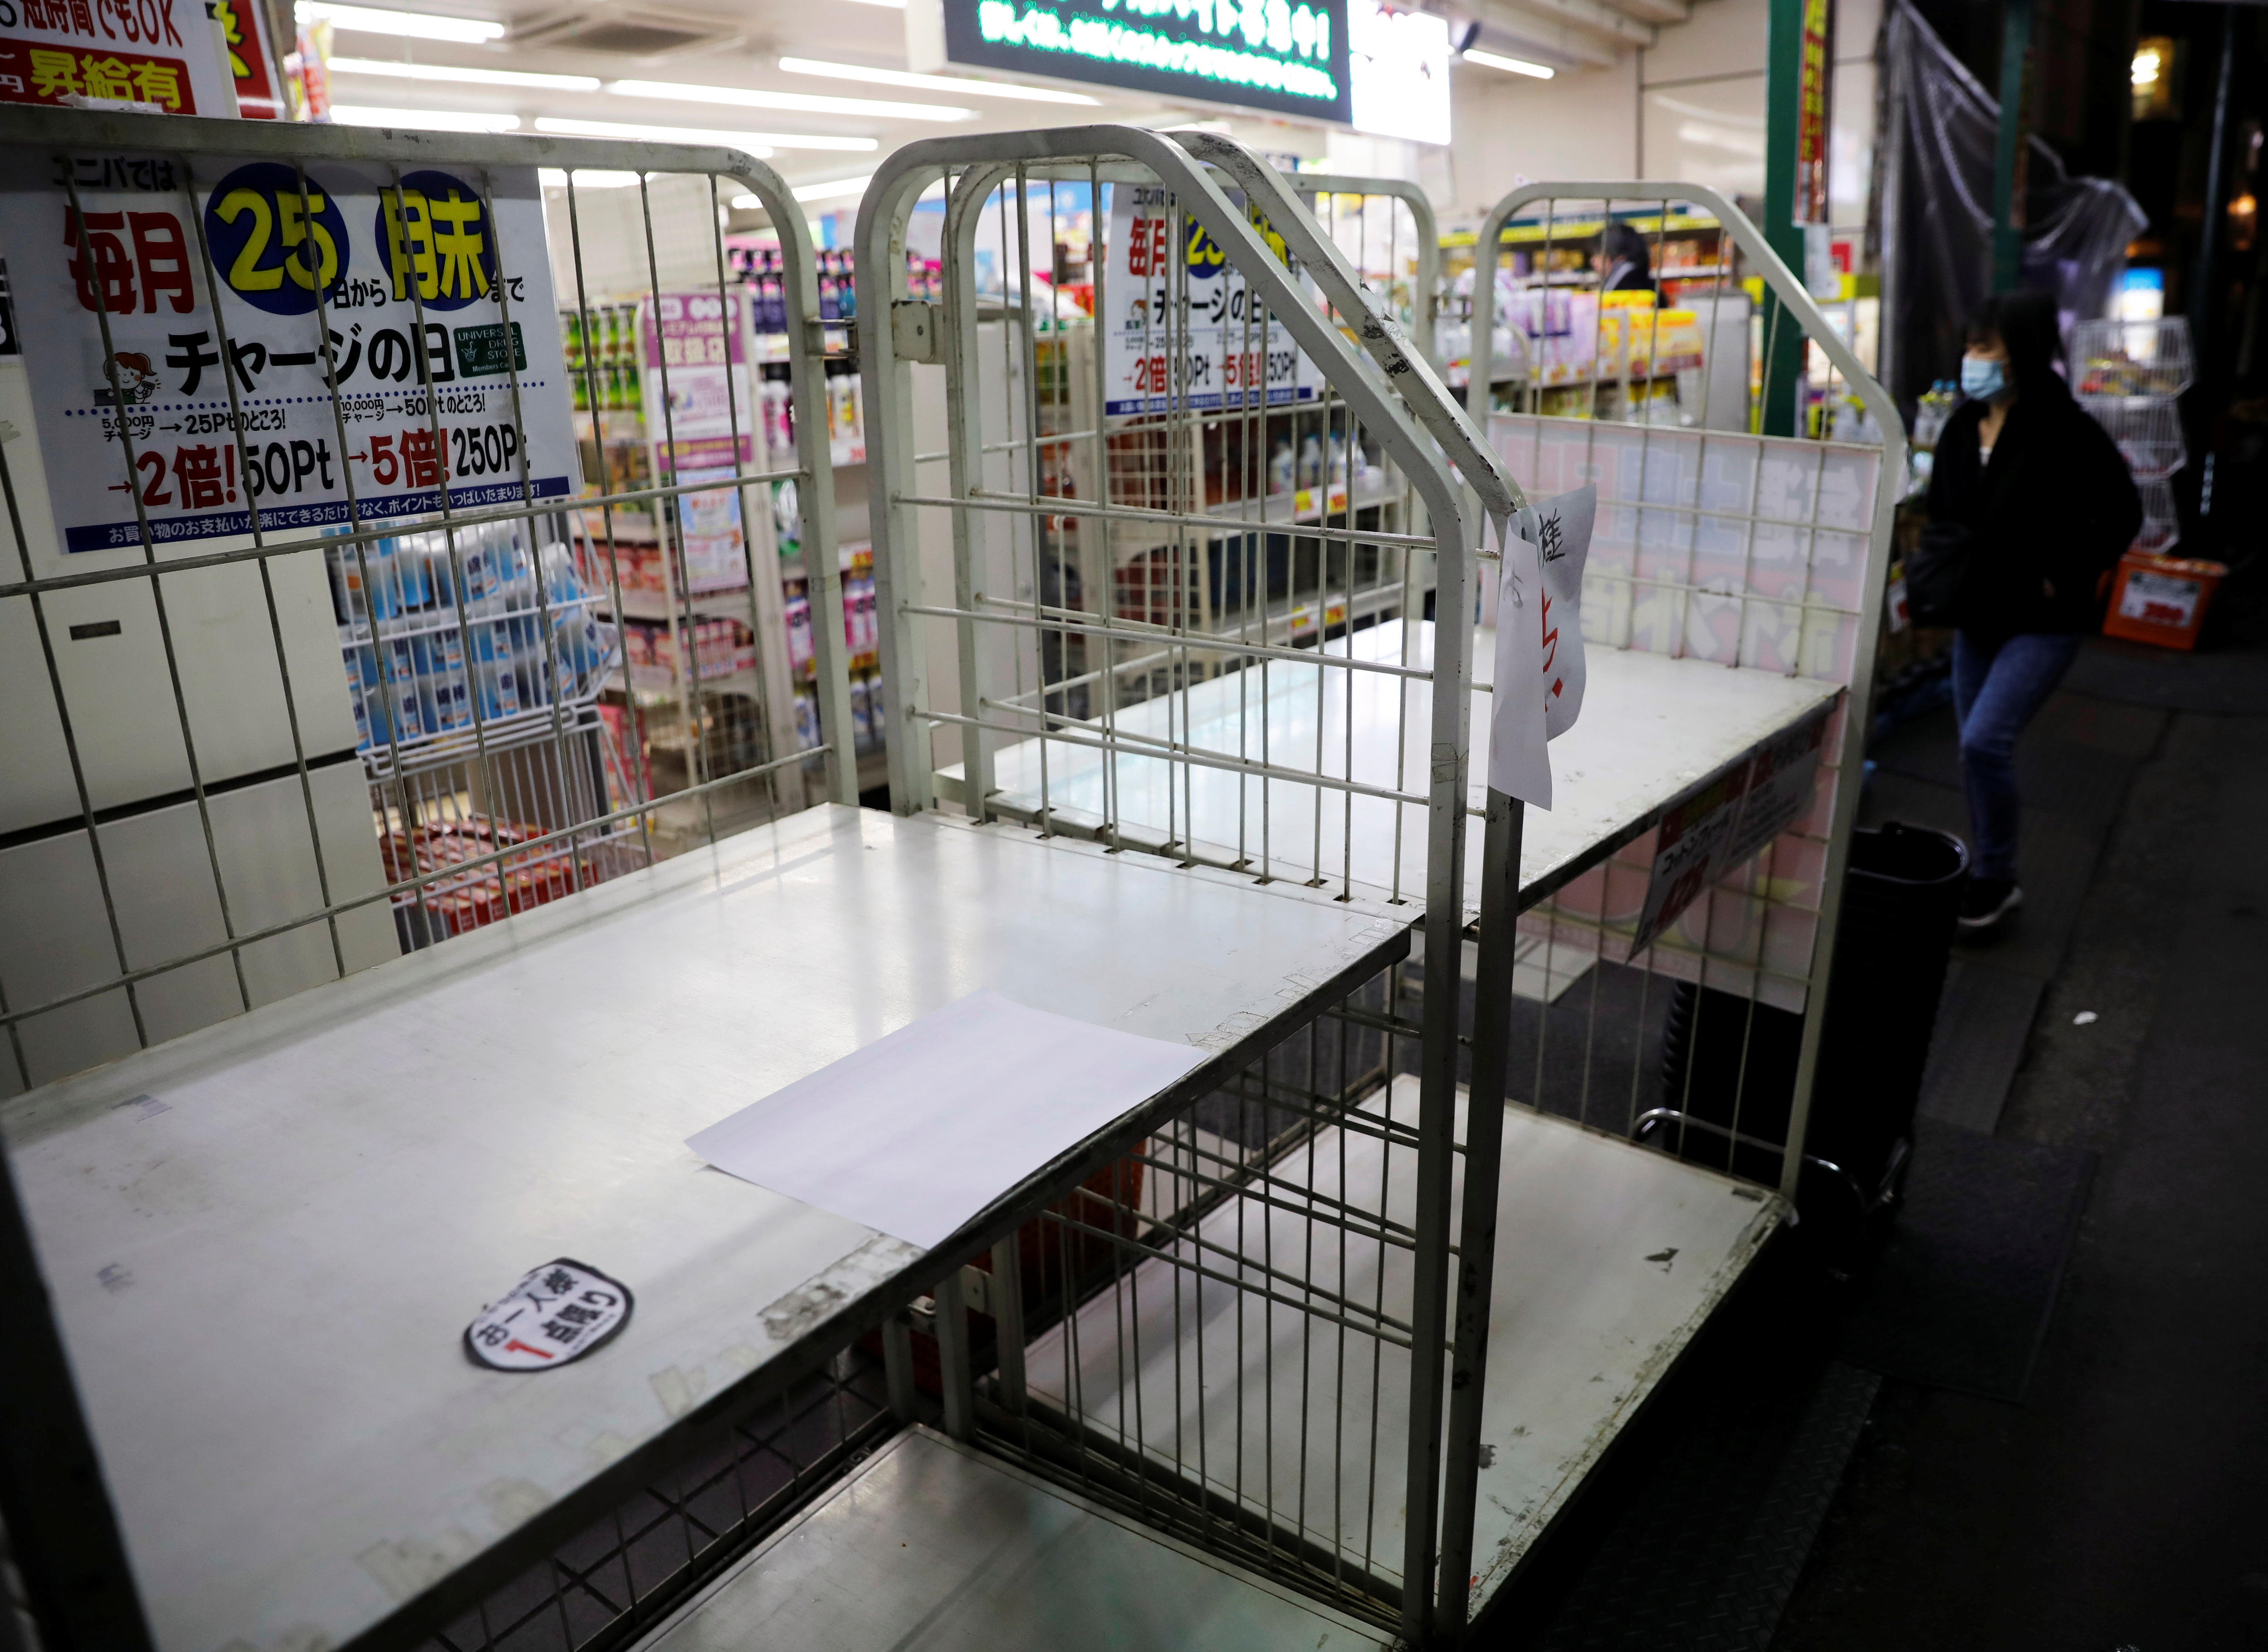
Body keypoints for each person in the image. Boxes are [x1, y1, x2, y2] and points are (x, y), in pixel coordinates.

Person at [1923, 289, 2141, 933]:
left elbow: (2123, 514)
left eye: (1983, 347)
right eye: (1969, 346)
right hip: (1977, 615)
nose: (1971, 359)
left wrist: (2063, 576)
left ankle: (1996, 875)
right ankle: (1989, 874)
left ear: (2019, 354)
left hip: (2044, 622)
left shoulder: (2066, 429)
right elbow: (1943, 514)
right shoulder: (1964, 426)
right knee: (1973, 750)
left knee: (1985, 741)